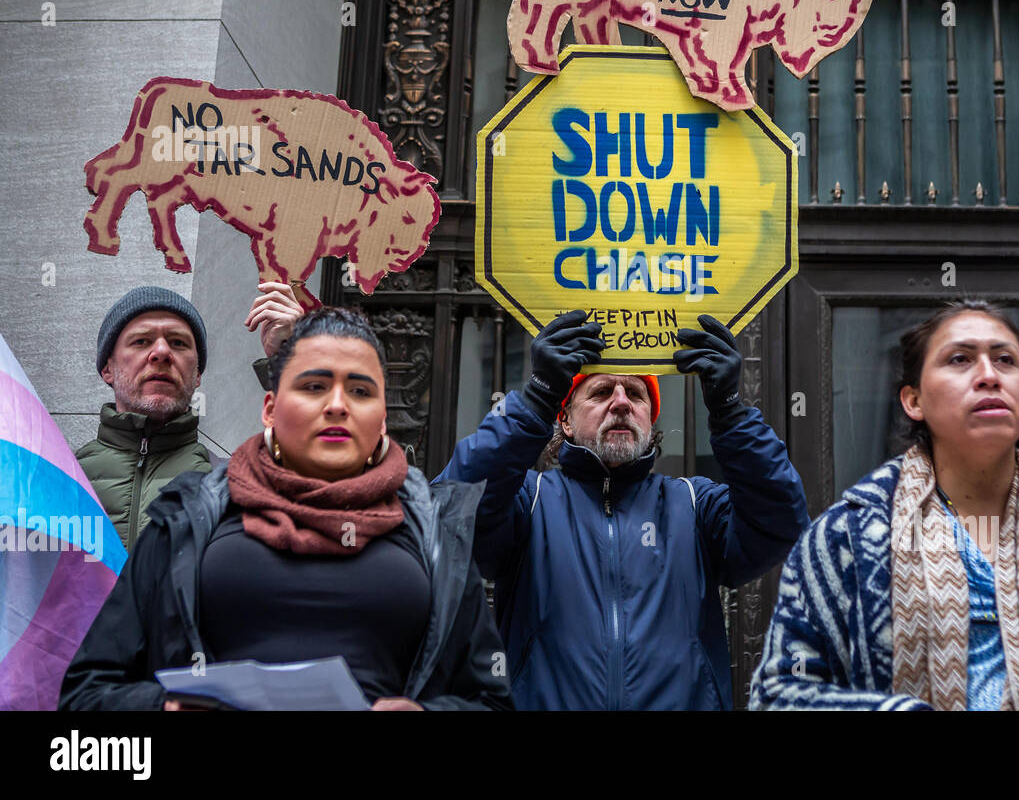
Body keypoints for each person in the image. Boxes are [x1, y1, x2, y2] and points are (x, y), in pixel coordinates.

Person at [61, 307, 510, 711]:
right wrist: (165, 707)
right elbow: (86, 692)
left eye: (360, 390)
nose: (337, 405)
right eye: (314, 386)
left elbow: (493, 700)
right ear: (270, 410)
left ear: (382, 418)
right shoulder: (185, 516)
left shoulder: (436, 532)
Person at [750, 300, 1019, 710]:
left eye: (1005, 360)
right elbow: (778, 696)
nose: (988, 375)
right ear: (913, 401)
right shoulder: (849, 537)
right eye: (959, 359)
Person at [436, 309, 809, 710]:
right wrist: (537, 397)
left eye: (635, 393)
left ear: (650, 418)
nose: (620, 403)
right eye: (599, 393)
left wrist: (731, 414)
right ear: (563, 420)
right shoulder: (531, 500)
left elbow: (782, 521)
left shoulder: (695, 504)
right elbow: (452, 508)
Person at [77, 281, 303, 551]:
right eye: (141, 341)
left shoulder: (234, 485)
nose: (161, 352)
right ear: (108, 369)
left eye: (178, 342)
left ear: (197, 375)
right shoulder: (59, 478)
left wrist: (292, 360)